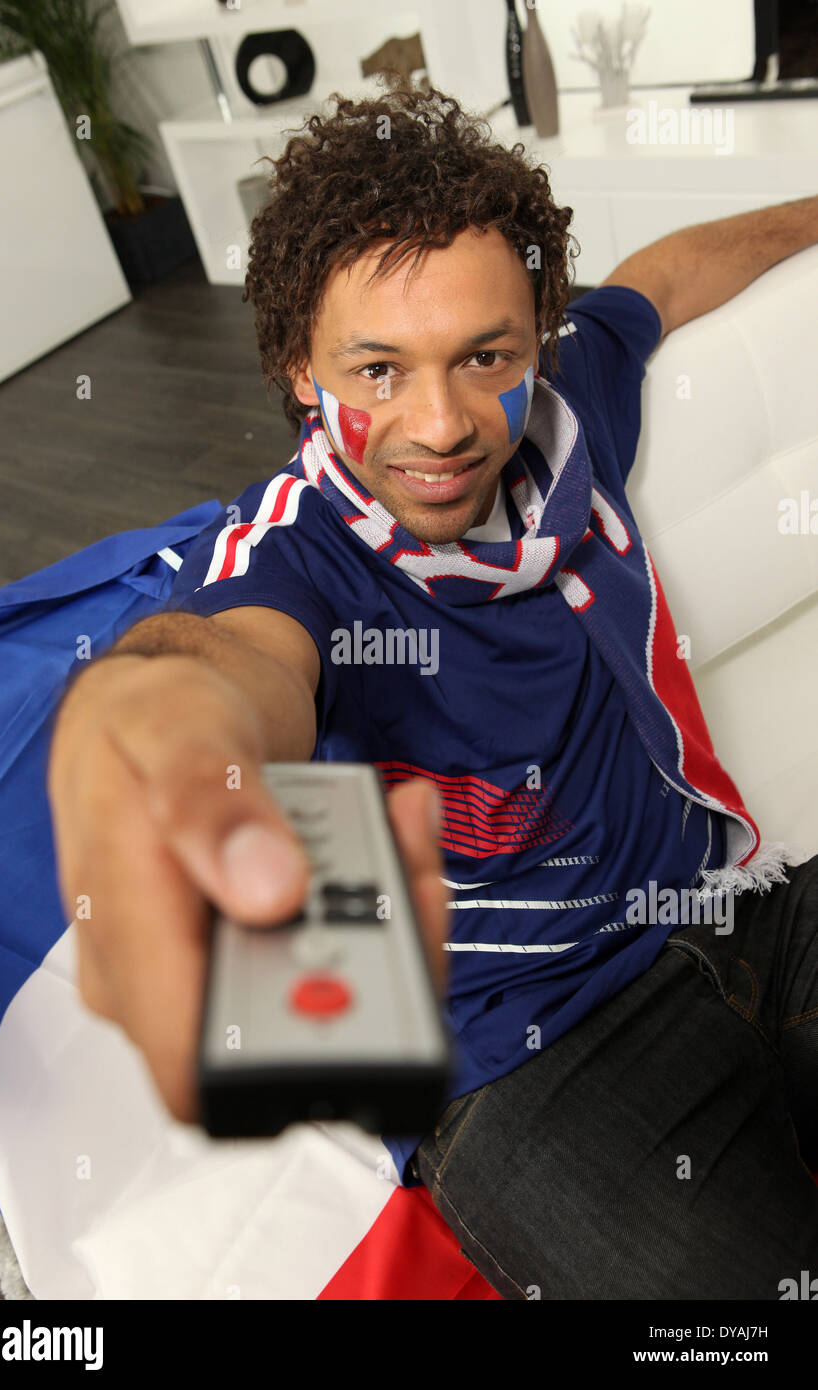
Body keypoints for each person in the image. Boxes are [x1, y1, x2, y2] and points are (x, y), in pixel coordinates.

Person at [47, 82, 818, 1299]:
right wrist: (151, 726)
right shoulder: (295, 563)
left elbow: (661, 277)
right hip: (530, 1056)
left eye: (482, 355)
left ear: (533, 338)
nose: (443, 421)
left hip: (731, 903)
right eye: (376, 369)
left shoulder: (562, 415)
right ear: (300, 369)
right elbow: (232, 662)